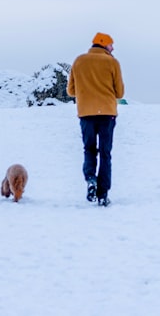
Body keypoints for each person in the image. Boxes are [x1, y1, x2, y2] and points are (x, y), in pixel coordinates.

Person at [67, 32, 125, 207]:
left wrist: (87, 91)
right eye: (111, 44)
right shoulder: (112, 62)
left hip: (86, 113)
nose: (113, 48)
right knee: (105, 153)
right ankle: (103, 194)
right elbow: (120, 93)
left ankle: (90, 179)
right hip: (107, 113)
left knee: (89, 149)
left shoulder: (78, 61)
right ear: (103, 44)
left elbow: (71, 91)